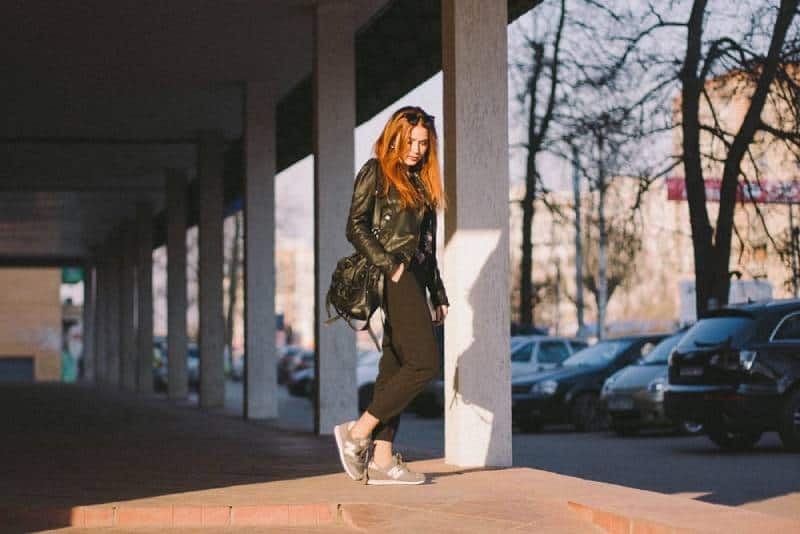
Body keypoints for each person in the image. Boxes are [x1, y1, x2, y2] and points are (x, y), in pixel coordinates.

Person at [334, 106, 449, 485]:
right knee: (425, 363)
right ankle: (357, 432)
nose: (416, 150)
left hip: (415, 277)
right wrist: (389, 265)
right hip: (393, 276)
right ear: (395, 136)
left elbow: (427, 247)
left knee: (397, 363)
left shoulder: (422, 183)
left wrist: (438, 291)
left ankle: (382, 459)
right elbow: (356, 226)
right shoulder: (376, 172)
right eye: (411, 141)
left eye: (423, 143)